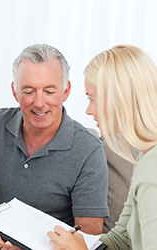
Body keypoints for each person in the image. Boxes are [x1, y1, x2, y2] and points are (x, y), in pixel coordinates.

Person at [0, 43, 109, 236]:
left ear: (66, 91)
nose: (39, 103)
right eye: (28, 91)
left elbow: (88, 235)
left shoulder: (88, 149)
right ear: (14, 91)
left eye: (49, 91)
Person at [47, 44, 157, 249]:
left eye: (92, 99)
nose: (88, 110)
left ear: (119, 101)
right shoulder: (145, 156)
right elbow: (121, 239)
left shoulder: (152, 170)